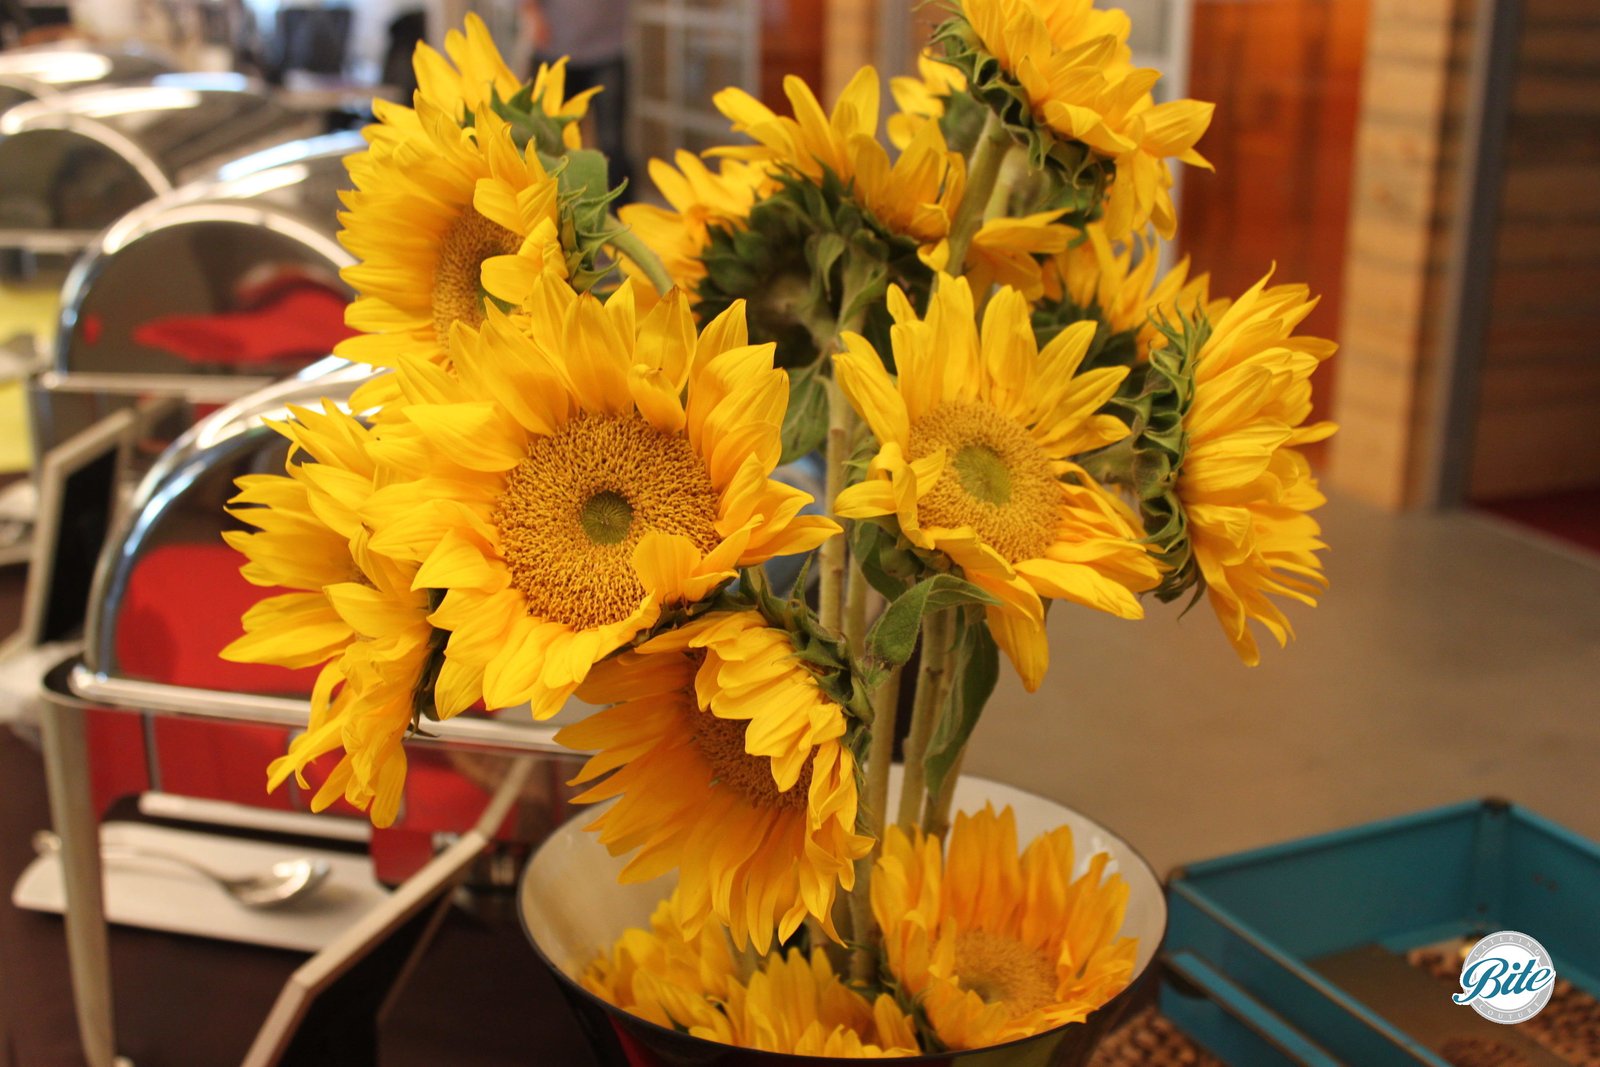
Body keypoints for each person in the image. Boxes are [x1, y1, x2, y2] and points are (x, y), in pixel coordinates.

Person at [522, 0, 633, 200]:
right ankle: (553, 211)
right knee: (550, 142)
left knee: (612, 143)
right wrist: (532, 14)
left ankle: (622, 215)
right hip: (553, 48)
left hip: (607, 50)